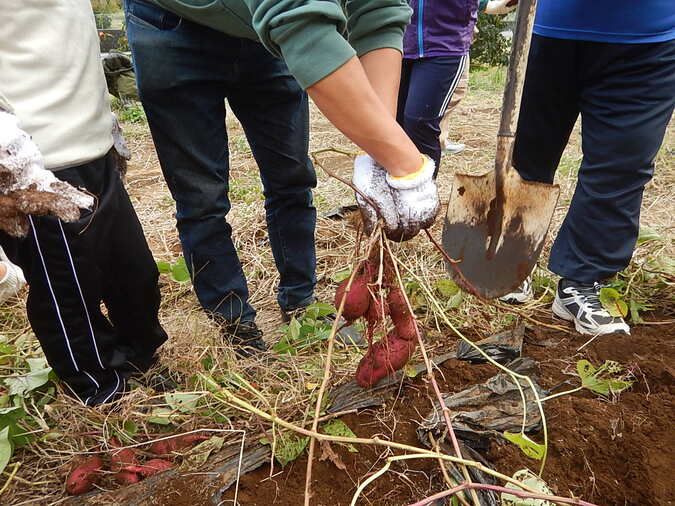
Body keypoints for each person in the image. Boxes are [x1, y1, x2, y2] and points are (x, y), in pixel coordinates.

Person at [124, 0, 440, 355]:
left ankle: (301, 304)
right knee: (201, 197)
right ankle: (234, 326)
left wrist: (380, 152)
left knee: (291, 178)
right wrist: (408, 164)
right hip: (173, 25)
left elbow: (378, 12)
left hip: (266, 37)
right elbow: (299, 20)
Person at [0, 0, 169, 405]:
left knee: (134, 274)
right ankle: (98, 388)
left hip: (94, 148)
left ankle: (140, 358)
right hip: (36, 165)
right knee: (68, 290)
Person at [506, 0, 675, 335]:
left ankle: (582, 281)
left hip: (648, 41)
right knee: (529, 154)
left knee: (621, 166)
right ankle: (510, 261)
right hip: (551, 29)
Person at [398, 0, 517, 173]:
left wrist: (487, 4)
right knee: (395, 123)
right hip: (402, 40)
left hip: (445, 45)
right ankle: (394, 189)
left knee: (418, 123)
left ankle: (422, 193)